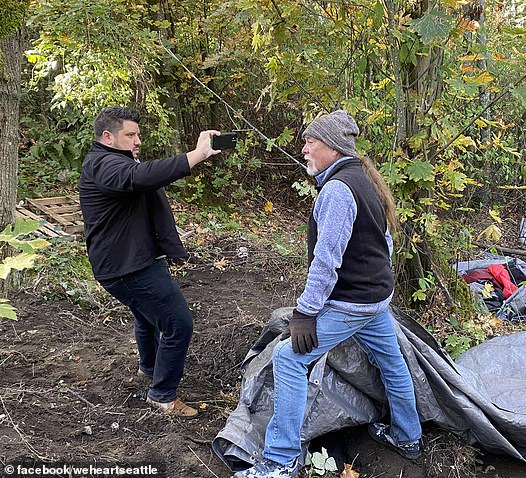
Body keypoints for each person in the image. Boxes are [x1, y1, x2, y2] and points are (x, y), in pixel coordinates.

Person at [234, 111, 422, 478]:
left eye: (310, 142)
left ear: (332, 148)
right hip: (374, 299)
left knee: (289, 358)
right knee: (392, 361)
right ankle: (408, 437)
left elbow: (326, 262)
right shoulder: (363, 178)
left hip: (352, 302)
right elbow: (383, 243)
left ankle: (280, 460)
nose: (303, 149)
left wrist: (305, 314)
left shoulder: (338, 190)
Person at [79, 106, 222, 418]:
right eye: (130, 135)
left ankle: (150, 367)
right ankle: (162, 395)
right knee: (178, 323)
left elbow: (140, 180)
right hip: (128, 267)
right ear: (108, 137)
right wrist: (195, 155)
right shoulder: (103, 164)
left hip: (133, 260)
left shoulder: (116, 160)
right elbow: (140, 177)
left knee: (147, 317)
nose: (137, 140)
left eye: (138, 134)